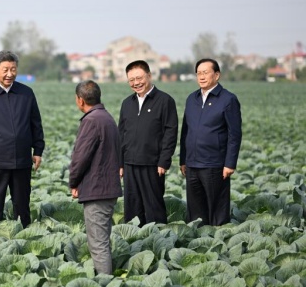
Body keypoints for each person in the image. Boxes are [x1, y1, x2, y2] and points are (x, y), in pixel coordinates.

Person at [0, 50, 45, 228]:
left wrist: (38, 150)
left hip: (22, 158)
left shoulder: (26, 93)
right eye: (5, 69)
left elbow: (36, 123)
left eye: (13, 69)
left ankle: (23, 233)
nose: (9, 74)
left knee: (22, 203)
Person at [180, 58, 242, 226]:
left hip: (214, 163)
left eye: (205, 72)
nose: (201, 76)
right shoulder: (191, 99)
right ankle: (198, 239)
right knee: (195, 210)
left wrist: (230, 164)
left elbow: (234, 134)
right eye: (199, 73)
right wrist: (183, 160)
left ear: (217, 75)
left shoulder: (228, 99)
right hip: (192, 164)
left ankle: (220, 239)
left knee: (217, 209)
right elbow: (186, 130)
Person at [69, 80, 122, 275]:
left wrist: (73, 182)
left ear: (80, 100)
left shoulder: (91, 121)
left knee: (98, 244)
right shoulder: (107, 117)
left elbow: (80, 157)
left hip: (96, 190)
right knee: (103, 241)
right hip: (108, 188)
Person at [118, 60, 178, 225]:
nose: (136, 83)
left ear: (149, 76)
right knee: (132, 207)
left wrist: (164, 160)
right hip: (129, 163)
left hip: (153, 164)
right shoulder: (127, 103)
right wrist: (120, 163)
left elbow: (170, 133)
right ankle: (134, 243)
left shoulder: (165, 101)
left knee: (154, 207)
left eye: (139, 78)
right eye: (131, 80)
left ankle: (157, 240)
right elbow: (121, 134)